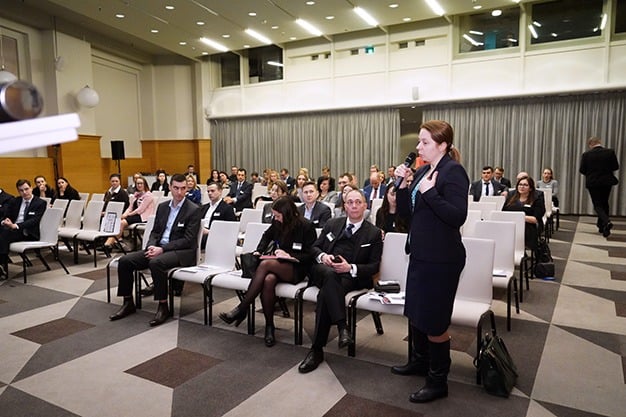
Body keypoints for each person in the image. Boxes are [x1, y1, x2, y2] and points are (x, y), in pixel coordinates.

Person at [392, 120, 469, 403]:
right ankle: (419, 361)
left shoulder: (453, 171)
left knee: (435, 321)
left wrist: (430, 192)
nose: (418, 147)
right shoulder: (424, 170)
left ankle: (438, 382)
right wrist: (403, 184)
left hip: (442, 259)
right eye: (419, 141)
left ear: (443, 145)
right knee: (417, 313)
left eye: (424, 142)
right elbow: (406, 213)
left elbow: (457, 216)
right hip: (421, 255)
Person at [297, 189, 383, 373]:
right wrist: (323, 256)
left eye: (358, 202)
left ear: (365, 206)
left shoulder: (374, 233)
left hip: (350, 277)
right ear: (345, 206)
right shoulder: (332, 224)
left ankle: (317, 350)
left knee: (325, 294)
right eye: (350, 202)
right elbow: (314, 248)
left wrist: (350, 267)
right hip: (323, 270)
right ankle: (342, 327)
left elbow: (374, 266)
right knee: (329, 275)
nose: (354, 206)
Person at [220, 196, 317, 347]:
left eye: (278, 215)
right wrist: (259, 250)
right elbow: (267, 236)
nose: (275, 218)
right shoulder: (277, 223)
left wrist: (289, 255)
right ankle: (269, 326)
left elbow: (311, 254)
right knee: (268, 280)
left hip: (298, 267)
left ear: (287, 213)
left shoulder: (306, 226)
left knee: (265, 265)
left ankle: (242, 308)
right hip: (279, 264)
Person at [109, 174, 201, 327]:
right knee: (125, 261)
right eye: (176, 188)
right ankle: (128, 302)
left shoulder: (193, 209)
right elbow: (155, 232)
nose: (179, 192)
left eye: (183, 188)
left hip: (181, 252)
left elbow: (188, 240)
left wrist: (162, 249)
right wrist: (151, 246)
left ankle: (163, 306)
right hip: (159, 248)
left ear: (187, 189)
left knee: (156, 263)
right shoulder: (163, 207)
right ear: (170, 187)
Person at [0, 179, 47, 278]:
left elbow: (34, 221)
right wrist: (5, 221)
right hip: (12, 229)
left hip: (27, 232)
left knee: (4, 234)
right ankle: (2, 264)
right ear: (18, 191)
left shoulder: (40, 203)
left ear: (31, 188)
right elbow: (7, 214)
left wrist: (16, 226)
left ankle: (2, 263)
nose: (24, 192)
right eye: (21, 190)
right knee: (4, 231)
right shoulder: (16, 201)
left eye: (26, 189)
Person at [579, 136, 619, 237]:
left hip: (593, 183)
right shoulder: (610, 152)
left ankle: (607, 221)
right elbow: (615, 166)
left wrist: (591, 173)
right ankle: (603, 227)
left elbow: (582, 170)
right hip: (607, 182)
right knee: (605, 203)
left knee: (597, 205)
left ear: (590, 145)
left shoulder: (586, 155)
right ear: (599, 142)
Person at [104, 176, 155, 248]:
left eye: (141, 183)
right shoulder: (136, 195)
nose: (139, 185)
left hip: (143, 217)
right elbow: (130, 208)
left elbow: (140, 210)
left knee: (122, 223)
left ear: (145, 184)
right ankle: (112, 242)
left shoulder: (149, 195)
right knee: (118, 220)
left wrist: (128, 215)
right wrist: (123, 215)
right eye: (137, 183)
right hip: (135, 215)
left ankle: (109, 244)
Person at [503, 176, 545, 252]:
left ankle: (521, 250)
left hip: (528, 226)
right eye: (520, 184)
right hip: (510, 225)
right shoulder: (511, 196)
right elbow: (503, 213)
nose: (522, 187)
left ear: (530, 188)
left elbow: (535, 219)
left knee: (524, 230)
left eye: (525, 185)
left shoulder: (537, 199)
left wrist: (519, 217)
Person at [199, 182, 237, 248]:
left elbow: (230, 229)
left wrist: (209, 232)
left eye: (212, 191)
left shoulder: (227, 208)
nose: (210, 193)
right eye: (208, 191)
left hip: (215, 236)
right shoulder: (203, 207)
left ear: (220, 191)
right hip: (201, 233)